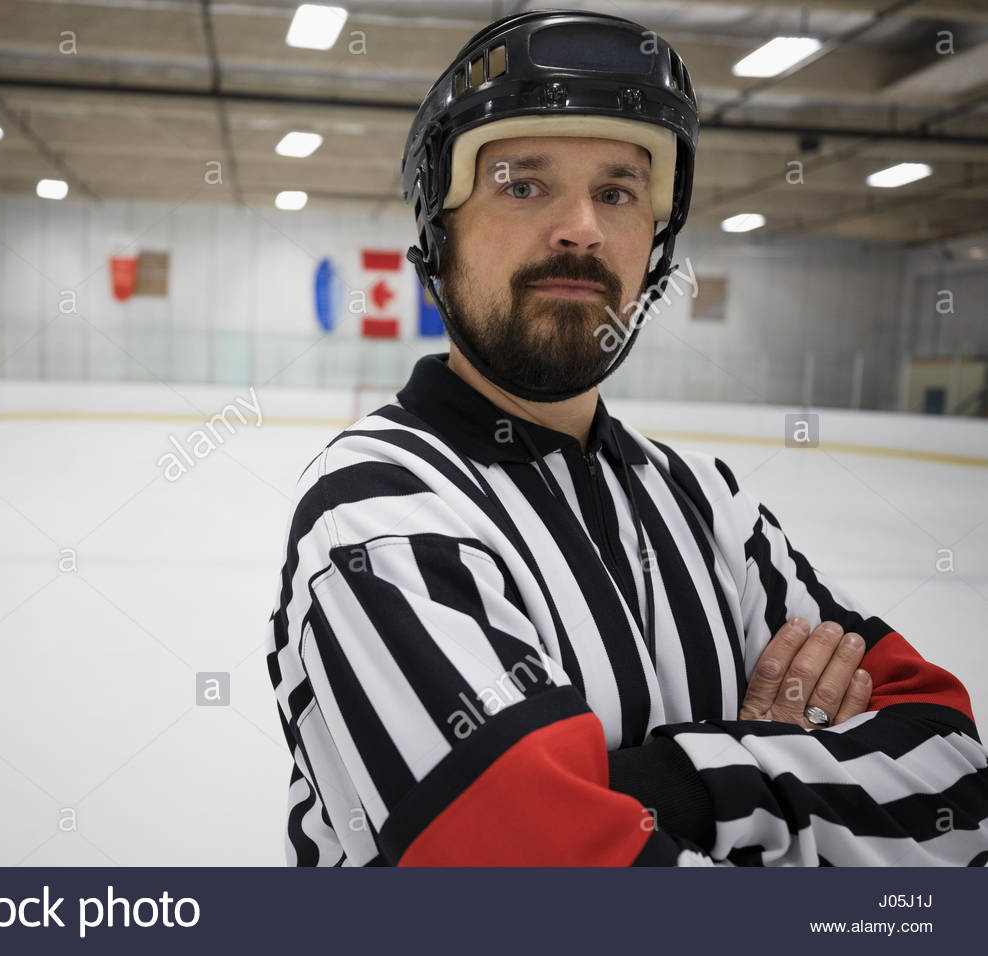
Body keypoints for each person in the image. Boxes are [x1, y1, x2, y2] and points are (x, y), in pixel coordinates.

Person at [265, 9, 988, 866]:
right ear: (439, 232)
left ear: (656, 241)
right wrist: (778, 760)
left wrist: (660, 785)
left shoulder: (709, 503)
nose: (582, 228)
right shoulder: (377, 514)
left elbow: (957, 780)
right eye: (522, 185)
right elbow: (531, 885)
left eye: (617, 192)